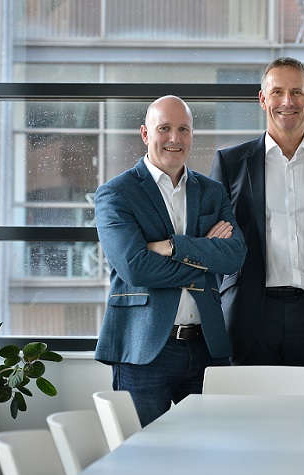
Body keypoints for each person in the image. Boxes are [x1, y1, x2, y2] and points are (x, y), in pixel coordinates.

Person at [94, 95, 247, 426]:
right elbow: (136, 267)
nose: (175, 138)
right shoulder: (117, 193)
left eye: (184, 129)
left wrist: (172, 247)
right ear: (145, 133)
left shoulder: (212, 192)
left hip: (208, 346)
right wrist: (205, 252)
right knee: (144, 458)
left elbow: (235, 256)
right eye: (164, 128)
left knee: (216, 453)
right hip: (145, 349)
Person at [210, 57, 304, 368]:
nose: (287, 102)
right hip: (250, 314)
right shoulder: (230, 163)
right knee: (251, 415)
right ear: (263, 99)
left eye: (297, 92)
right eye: (276, 92)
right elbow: (215, 243)